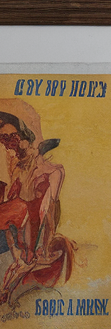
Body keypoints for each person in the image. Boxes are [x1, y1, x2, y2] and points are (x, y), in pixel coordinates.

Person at [0, 102, 74, 307]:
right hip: (17, 230)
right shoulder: (18, 171)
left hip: (30, 233)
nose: (8, 145)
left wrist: (41, 245)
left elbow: (48, 208)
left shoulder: (52, 171)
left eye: (11, 138)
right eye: (4, 140)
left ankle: (9, 288)